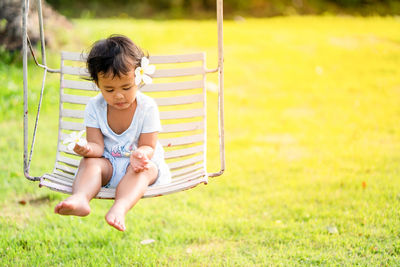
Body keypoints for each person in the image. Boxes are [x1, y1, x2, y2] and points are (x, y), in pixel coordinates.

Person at [54, 35, 171, 231]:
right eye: (109, 89)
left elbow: (149, 145)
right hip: (108, 164)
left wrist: (141, 155)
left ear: (138, 79)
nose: (118, 95)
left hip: (136, 165)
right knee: (89, 163)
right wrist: (86, 148)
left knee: (145, 170)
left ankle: (120, 207)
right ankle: (81, 198)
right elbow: (97, 147)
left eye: (126, 87)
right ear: (97, 84)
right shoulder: (94, 107)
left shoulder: (147, 107)